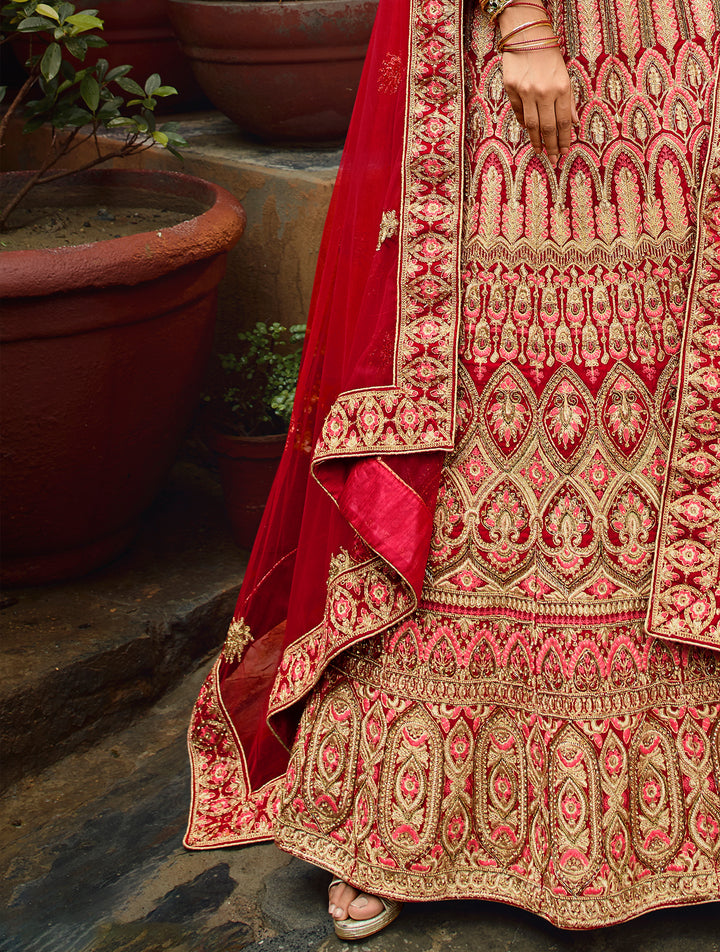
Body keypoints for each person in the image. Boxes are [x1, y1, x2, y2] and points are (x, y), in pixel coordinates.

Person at [185, 0, 720, 939]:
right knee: (491, 403)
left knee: (667, 399)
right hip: (532, 61)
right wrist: (521, 26)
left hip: (685, 60)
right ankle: (406, 797)